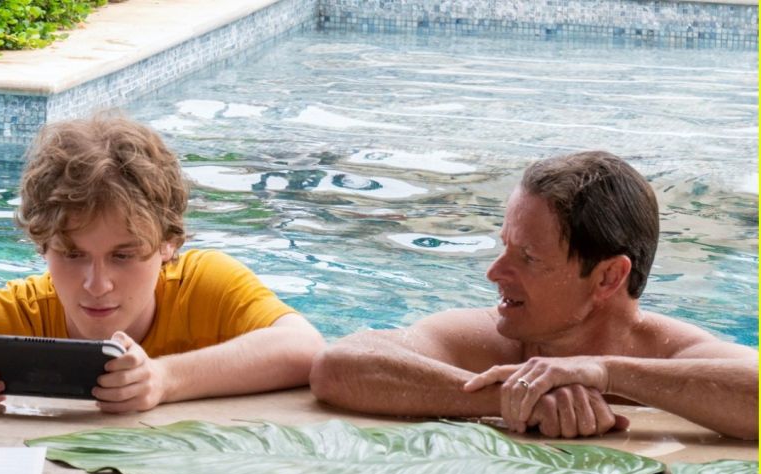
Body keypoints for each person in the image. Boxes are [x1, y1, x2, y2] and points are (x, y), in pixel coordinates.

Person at [309, 151, 758, 440]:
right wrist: (514, 398)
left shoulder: (672, 353)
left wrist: (604, 373)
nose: (494, 272)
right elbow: (339, 366)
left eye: (527, 257)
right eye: (504, 246)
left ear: (607, 279)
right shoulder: (492, 341)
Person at [0, 114, 325, 413]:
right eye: (73, 255)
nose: (97, 284)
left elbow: (306, 348)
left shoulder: (206, 287)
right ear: (42, 247)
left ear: (168, 245)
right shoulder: (18, 314)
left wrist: (164, 380)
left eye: (123, 256)